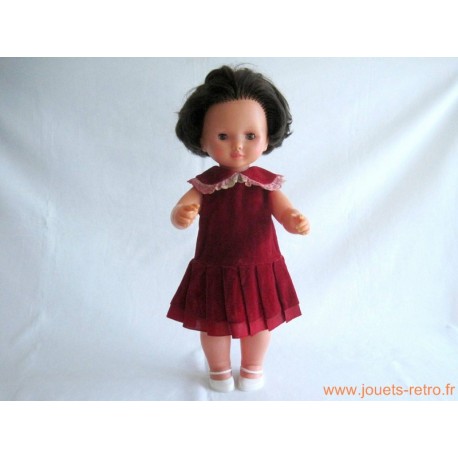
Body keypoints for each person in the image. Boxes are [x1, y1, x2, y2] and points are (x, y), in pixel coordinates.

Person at [167, 65, 310, 392]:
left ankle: (252, 367)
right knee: (214, 326)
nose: (237, 146)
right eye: (223, 136)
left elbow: (283, 210)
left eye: (250, 136)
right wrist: (182, 214)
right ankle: (219, 370)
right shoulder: (204, 185)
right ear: (202, 139)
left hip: (259, 267)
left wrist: (293, 219)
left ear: (267, 136)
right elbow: (180, 209)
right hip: (215, 267)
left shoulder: (267, 184)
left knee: (259, 324)